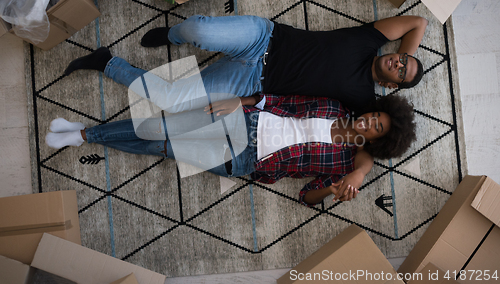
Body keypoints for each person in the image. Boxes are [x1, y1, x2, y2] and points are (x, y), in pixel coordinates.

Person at [46, 89, 416, 207]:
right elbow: (283, 99)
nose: (369, 121)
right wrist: (240, 101)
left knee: (162, 145)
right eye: (374, 115)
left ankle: (83, 136)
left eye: (377, 127)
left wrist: (330, 191)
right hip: (249, 120)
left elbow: (307, 198)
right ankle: (84, 135)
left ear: (377, 140)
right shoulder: (334, 107)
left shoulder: (345, 165)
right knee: (161, 127)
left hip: (246, 160)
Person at [132, 14, 428, 113]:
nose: (398, 63)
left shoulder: (363, 98)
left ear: (391, 85)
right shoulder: (370, 40)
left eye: (402, 72)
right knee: (197, 31)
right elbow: (419, 22)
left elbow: (378, 137)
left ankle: (109, 64)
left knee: (173, 102)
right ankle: (172, 35)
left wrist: (243, 102)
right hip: (264, 38)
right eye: (403, 59)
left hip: (251, 81)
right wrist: (408, 60)